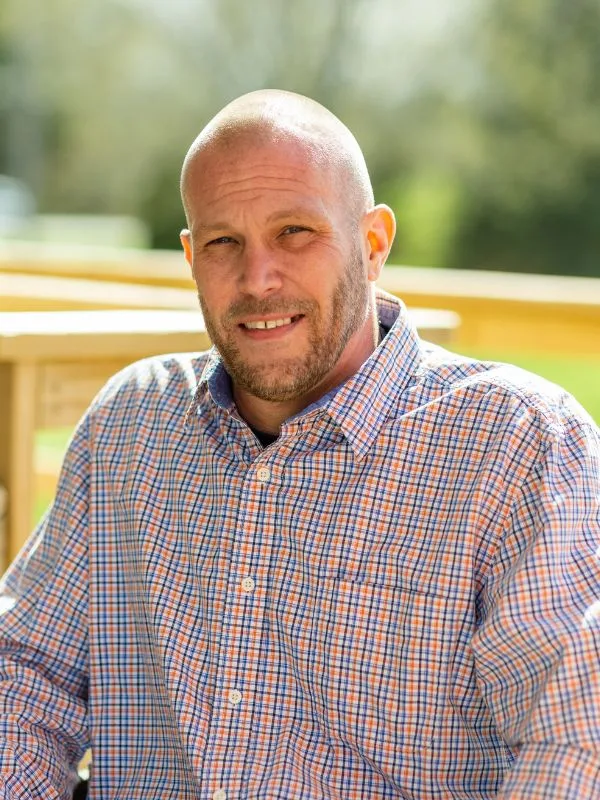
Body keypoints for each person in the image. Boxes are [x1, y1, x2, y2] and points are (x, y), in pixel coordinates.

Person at [0, 90, 598, 800]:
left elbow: (576, 742)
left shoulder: (519, 442)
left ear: (373, 244)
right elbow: (24, 673)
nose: (258, 278)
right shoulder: (130, 424)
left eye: (294, 232)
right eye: (223, 242)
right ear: (191, 257)